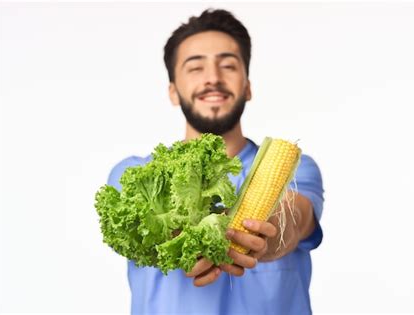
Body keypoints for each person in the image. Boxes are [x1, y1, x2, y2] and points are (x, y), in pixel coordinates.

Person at [106, 8, 324, 315]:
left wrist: (261, 234)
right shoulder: (134, 174)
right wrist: (185, 239)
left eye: (228, 65)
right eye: (195, 68)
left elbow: (295, 220)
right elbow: (141, 231)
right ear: (173, 91)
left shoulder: (298, 169)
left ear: (247, 86)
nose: (213, 78)